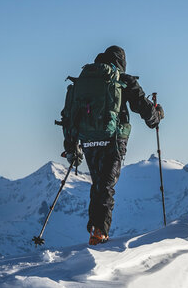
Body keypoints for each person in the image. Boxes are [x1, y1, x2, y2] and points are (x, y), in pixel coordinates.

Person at [59, 45, 164, 245]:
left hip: (88, 140)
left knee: (99, 183)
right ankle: (100, 232)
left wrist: (72, 146)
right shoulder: (122, 80)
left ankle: (94, 229)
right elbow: (144, 108)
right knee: (107, 185)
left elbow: (70, 115)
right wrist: (157, 116)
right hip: (114, 139)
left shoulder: (85, 82)